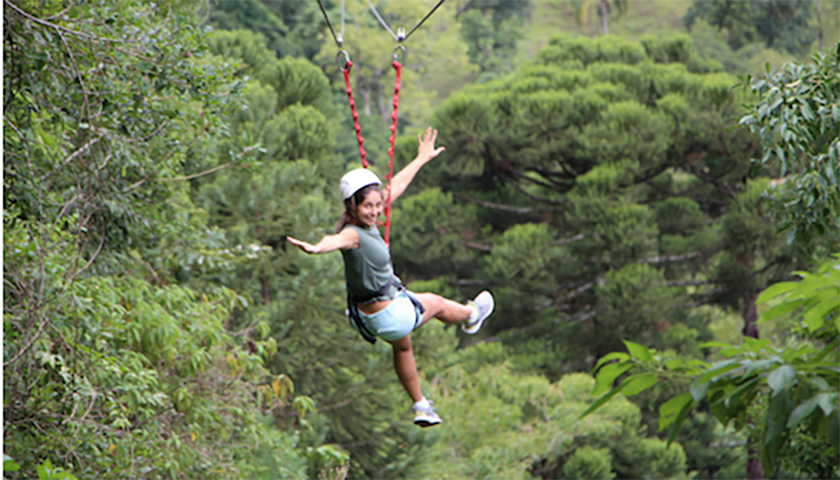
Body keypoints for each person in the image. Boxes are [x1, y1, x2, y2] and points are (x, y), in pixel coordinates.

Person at [287, 127, 494, 427]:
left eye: (376, 205)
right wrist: (317, 247)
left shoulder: (368, 219)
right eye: (366, 206)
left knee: (403, 346)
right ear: (352, 207)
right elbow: (335, 241)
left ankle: (421, 405)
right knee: (434, 303)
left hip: (371, 319)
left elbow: (395, 186)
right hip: (389, 314)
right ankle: (472, 315)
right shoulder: (352, 234)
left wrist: (421, 159)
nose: (374, 211)